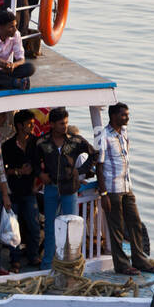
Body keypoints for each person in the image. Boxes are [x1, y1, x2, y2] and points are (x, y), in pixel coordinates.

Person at [98, 103, 154, 276]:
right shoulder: (104, 136)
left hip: (127, 186)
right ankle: (122, 265)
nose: (127, 118)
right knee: (117, 227)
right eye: (124, 115)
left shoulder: (124, 133)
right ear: (113, 116)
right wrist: (103, 194)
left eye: (127, 114)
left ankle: (140, 260)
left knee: (135, 223)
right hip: (112, 189)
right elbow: (99, 166)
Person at [33, 106, 97, 269]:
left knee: (71, 227)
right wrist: (40, 174)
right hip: (51, 189)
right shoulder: (42, 142)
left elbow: (93, 154)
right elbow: (32, 161)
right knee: (50, 227)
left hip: (70, 189)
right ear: (52, 124)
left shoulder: (76, 141)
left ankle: (70, 264)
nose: (65, 126)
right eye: (61, 124)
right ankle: (47, 264)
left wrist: (80, 170)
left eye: (66, 123)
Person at [0, 109, 41, 269]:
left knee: (34, 225)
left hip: (30, 191)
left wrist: (37, 182)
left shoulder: (36, 143)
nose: (32, 126)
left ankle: (34, 256)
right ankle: (14, 258)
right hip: (13, 192)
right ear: (19, 125)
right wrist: (19, 171)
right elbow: (2, 170)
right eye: (29, 124)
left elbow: (39, 166)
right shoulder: (8, 146)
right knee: (13, 226)